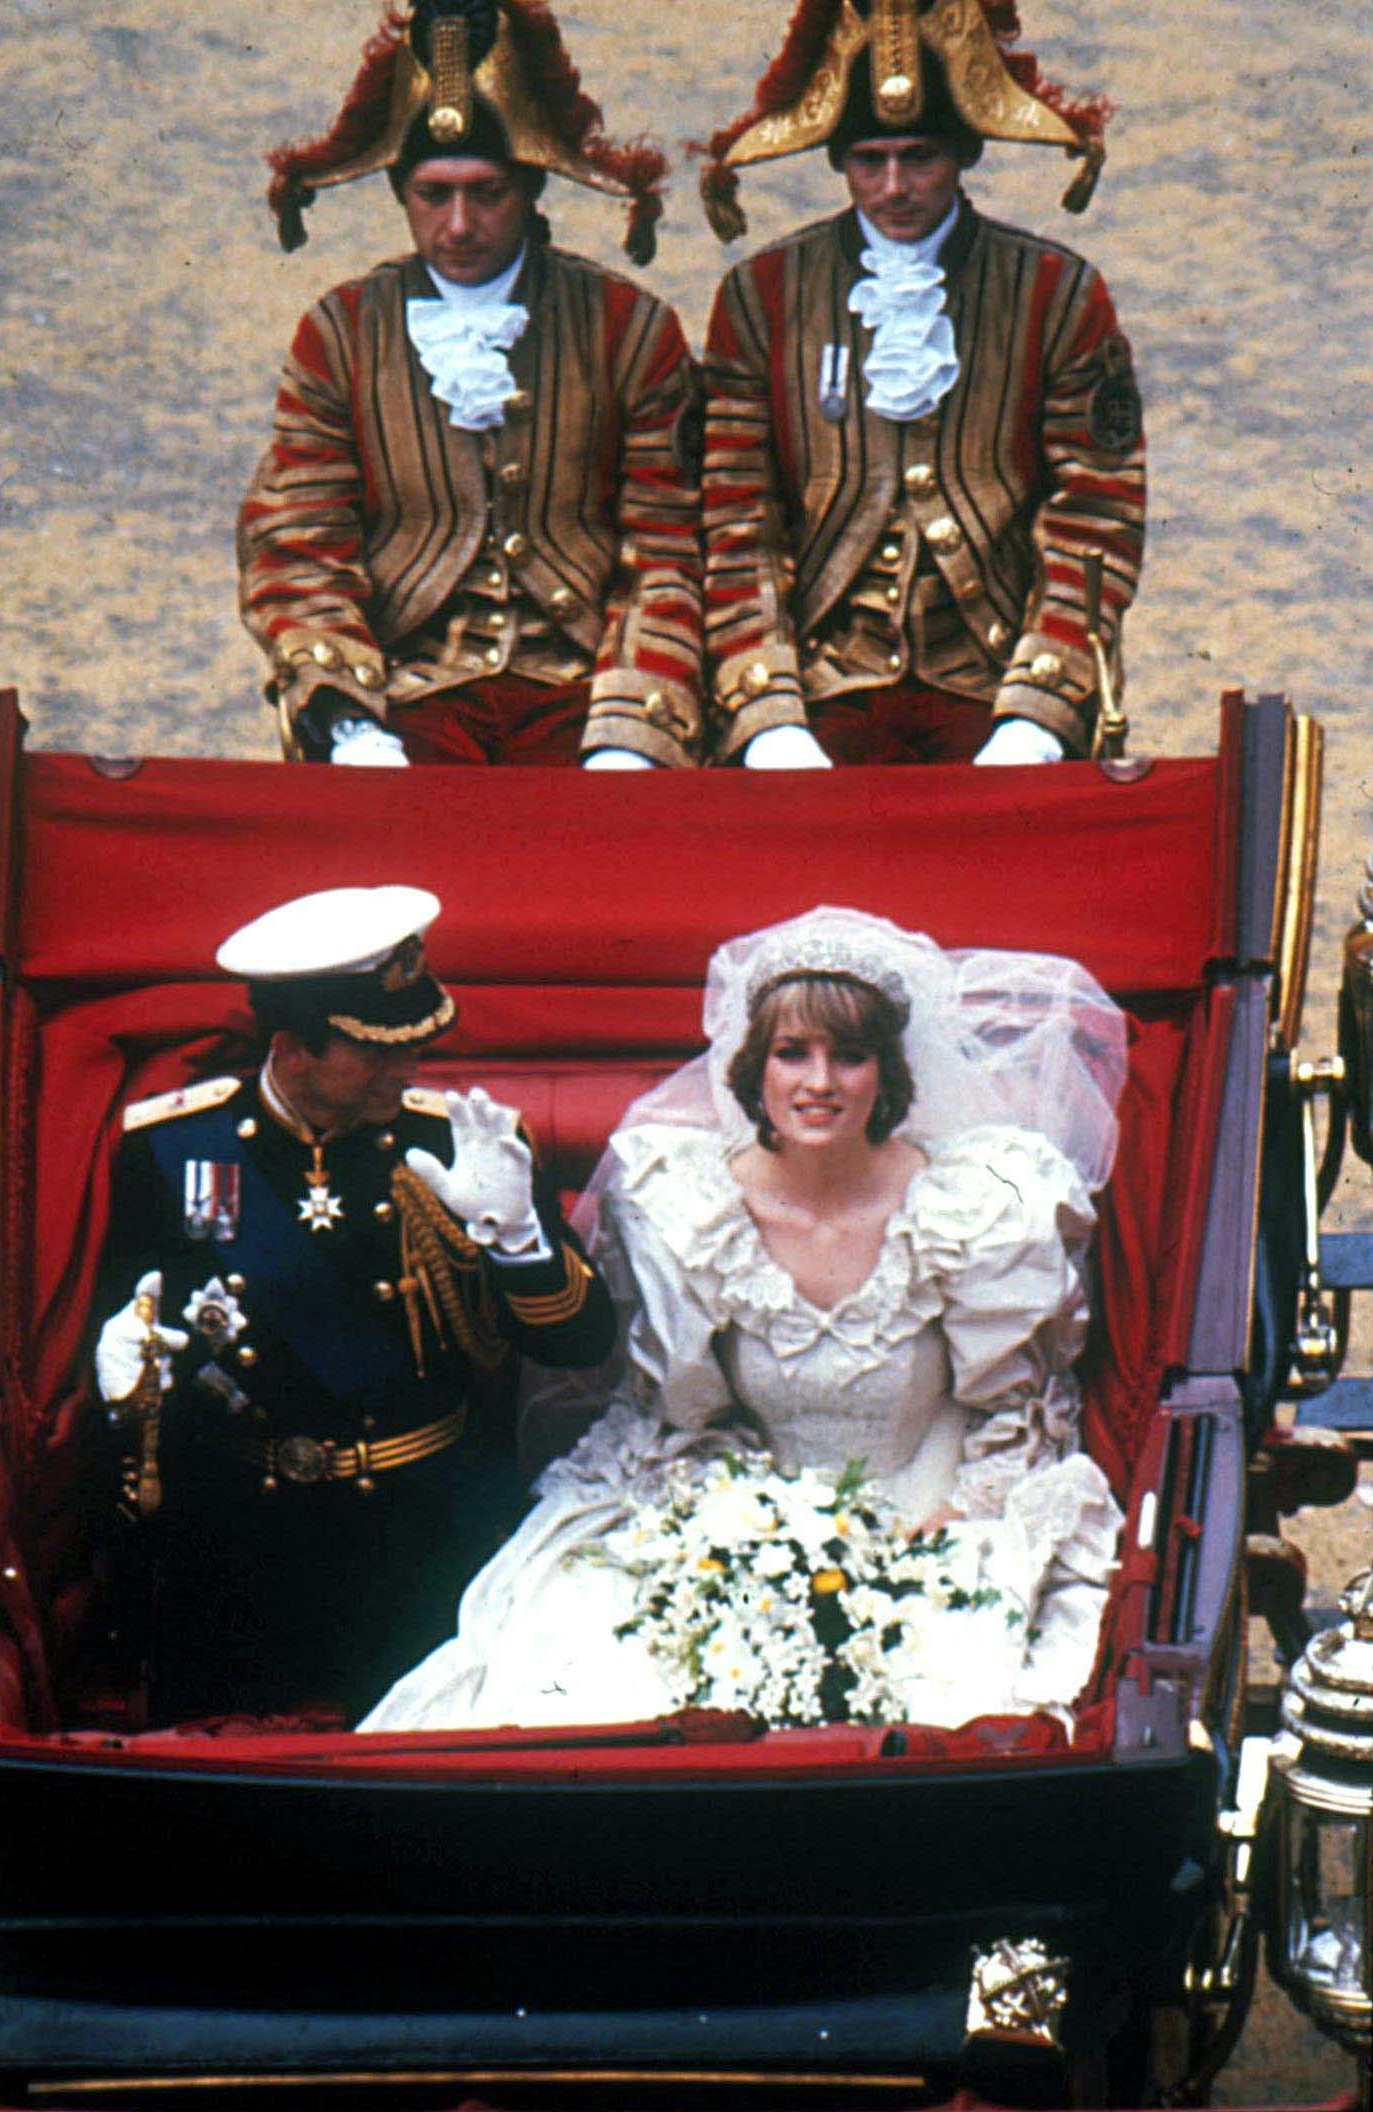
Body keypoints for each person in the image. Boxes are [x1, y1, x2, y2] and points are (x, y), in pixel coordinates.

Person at [359, 906, 1128, 1735]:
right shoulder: (683, 1203)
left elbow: (1012, 1414)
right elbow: (679, 1415)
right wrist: (737, 1542)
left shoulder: (979, 1206)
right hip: (739, 1504)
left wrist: (944, 1523)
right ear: (751, 1069)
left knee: (948, 1683)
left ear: (891, 1073)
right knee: (598, 1670)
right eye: (792, 1054)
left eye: (851, 1055)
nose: (820, 1083)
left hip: (928, 1507)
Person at [92, 885, 616, 1724]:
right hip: (242, 1545)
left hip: (424, 1535)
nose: (404, 1069)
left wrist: (518, 1237)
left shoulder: (460, 1143)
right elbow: (137, 1333)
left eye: (411, 1047)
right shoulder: (174, 1147)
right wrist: (126, 1376)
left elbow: (580, 1345)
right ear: (296, 1047)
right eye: (374, 1053)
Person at [239, 0, 703, 772]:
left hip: (583, 699)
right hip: (402, 699)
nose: (458, 225)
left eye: (487, 193)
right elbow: (297, 545)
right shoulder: (342, 333)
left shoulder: (630, 327)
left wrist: (634, 729)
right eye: (433, 194)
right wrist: (347, 719)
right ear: (401, 195)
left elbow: (667, 548)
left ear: (530, 191)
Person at [697, 0, 1145, 771]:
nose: (895, 186)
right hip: (820, 691)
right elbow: (738, 521)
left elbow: (1097, 514)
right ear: (840, 162)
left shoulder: (1058, 292)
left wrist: (1037, 713)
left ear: (964, 152)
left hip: (995, 687)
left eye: (920, 157)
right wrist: (769, 711)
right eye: (870, 159)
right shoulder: (762, 295)